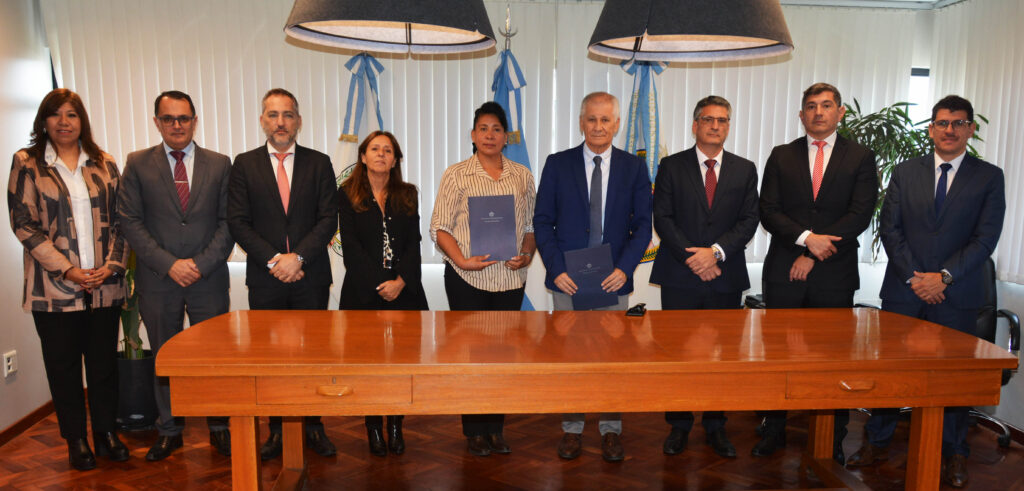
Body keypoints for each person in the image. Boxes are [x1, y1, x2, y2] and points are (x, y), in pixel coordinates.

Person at [849, 95, 1004, 488]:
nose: (950, 130)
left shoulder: (989, 177)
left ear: (970, 129)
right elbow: (890, 229)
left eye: (958, 123)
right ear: (931, 128)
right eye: (942, 123)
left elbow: (985, 239)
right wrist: (918, 278)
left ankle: (954, 452)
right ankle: (876, 442)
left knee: (952, 378)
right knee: (890, 372)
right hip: (905, 291)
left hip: (957, 295)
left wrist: (944, 277)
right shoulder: (906, 172)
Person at [8, 88, 130, 470]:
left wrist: (112, 264)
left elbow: (123, 220)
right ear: (44, 120)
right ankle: (76, 439)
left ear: (82, 121)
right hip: (54, 290)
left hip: (105, 286)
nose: (64, 122)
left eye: (72, 114)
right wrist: (67, 269)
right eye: (56, 114)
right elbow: (23, 224)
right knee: (63, 369)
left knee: (103, 366)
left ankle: (106, 433)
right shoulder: (28, 163)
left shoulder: (104, 162)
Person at [757, 82, 878, 462]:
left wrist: (814, 252)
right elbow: (769, 210)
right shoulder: (782, 155)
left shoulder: (860, 157)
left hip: (834, 274)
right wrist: (807, 240)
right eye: (811, 106)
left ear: (840, 112)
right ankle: (773, 428)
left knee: (832, 358)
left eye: (826, 105)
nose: (819, 112)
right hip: (784, 271)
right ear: (801, 114)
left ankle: (832, 439)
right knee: (778, 356)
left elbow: (860, 213)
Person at [533, 91, 653, 463]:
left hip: (612, 280)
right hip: (567, 281)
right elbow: (543, 222)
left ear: (616, 124)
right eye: (591, 119)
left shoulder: (634, 168)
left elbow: (643, 226)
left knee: (611, 358)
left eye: (605, 119)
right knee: (570, 357)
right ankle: (572, 429)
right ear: (581, 122)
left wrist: (625, 269)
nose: (598, 126)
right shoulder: (558, 164)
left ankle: (610, 429)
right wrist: (556, 269)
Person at [118, 90, 234, 461]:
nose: (177, 125)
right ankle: (170, 430)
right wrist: (169, 264)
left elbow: (228, 221)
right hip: (158, 280)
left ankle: (219, 427)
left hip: (208, 279)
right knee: (164, 357)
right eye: (168, 118)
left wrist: (200, 264)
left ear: (194, 121)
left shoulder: (220, 164)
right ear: (157, 122)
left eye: (183, 118)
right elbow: (130, 221)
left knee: (215, 356)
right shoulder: (138, 163)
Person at [227, 88, 339, 460]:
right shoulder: (244, 164)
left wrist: (299, 258)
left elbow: (328, 218)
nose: (280, 122)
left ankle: (313, 426)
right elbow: (238, 222)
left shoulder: (319, 163)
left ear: (298, 121)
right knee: (271, 359)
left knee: (313, 356)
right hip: (266, 279)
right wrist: (275, 260)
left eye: (288, 115)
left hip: (311, 277)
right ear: (262, 120)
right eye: (273, 115)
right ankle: (276, 430)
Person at [650, 95, 758, 459]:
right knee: (677, 356)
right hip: (680, 275)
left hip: (724, 274)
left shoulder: (745, 169)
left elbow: (749, 220)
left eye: (722, 120)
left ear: (728, 126)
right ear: (695, 125)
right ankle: (679, 425)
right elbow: (663, 218)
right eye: (708, 119)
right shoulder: (671, 166)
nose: (715, 126)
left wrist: (716, 253)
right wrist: (694, 258)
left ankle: (716, 425)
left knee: (722, 356)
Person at [429, 101, 536, 457]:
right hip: (466, 279)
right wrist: (462, 260)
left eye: (497, 129)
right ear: (473, 135)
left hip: (509, 280)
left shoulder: (522, 175)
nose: (490, 135)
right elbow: (439, 227)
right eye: (483, 129)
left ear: (506, 137)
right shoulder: (456, 174)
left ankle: (495, 429)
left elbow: (531, 227)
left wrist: (527, 254)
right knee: (470, 356)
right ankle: (474, 430)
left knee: (503, 357)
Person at [337, 130, 428, 457]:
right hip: (363, 293)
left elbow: (414, 243)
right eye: (374, 149)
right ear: (363, 157)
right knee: (368, 365)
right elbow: (351, 248)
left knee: (400, 364)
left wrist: (401, 281)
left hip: (405, 291)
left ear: (395, 159)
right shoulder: (347, 194)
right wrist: (381, 284)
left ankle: (396, 425)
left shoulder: (408, 194)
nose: (381, 154)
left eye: (387, 150)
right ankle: (374, 427)